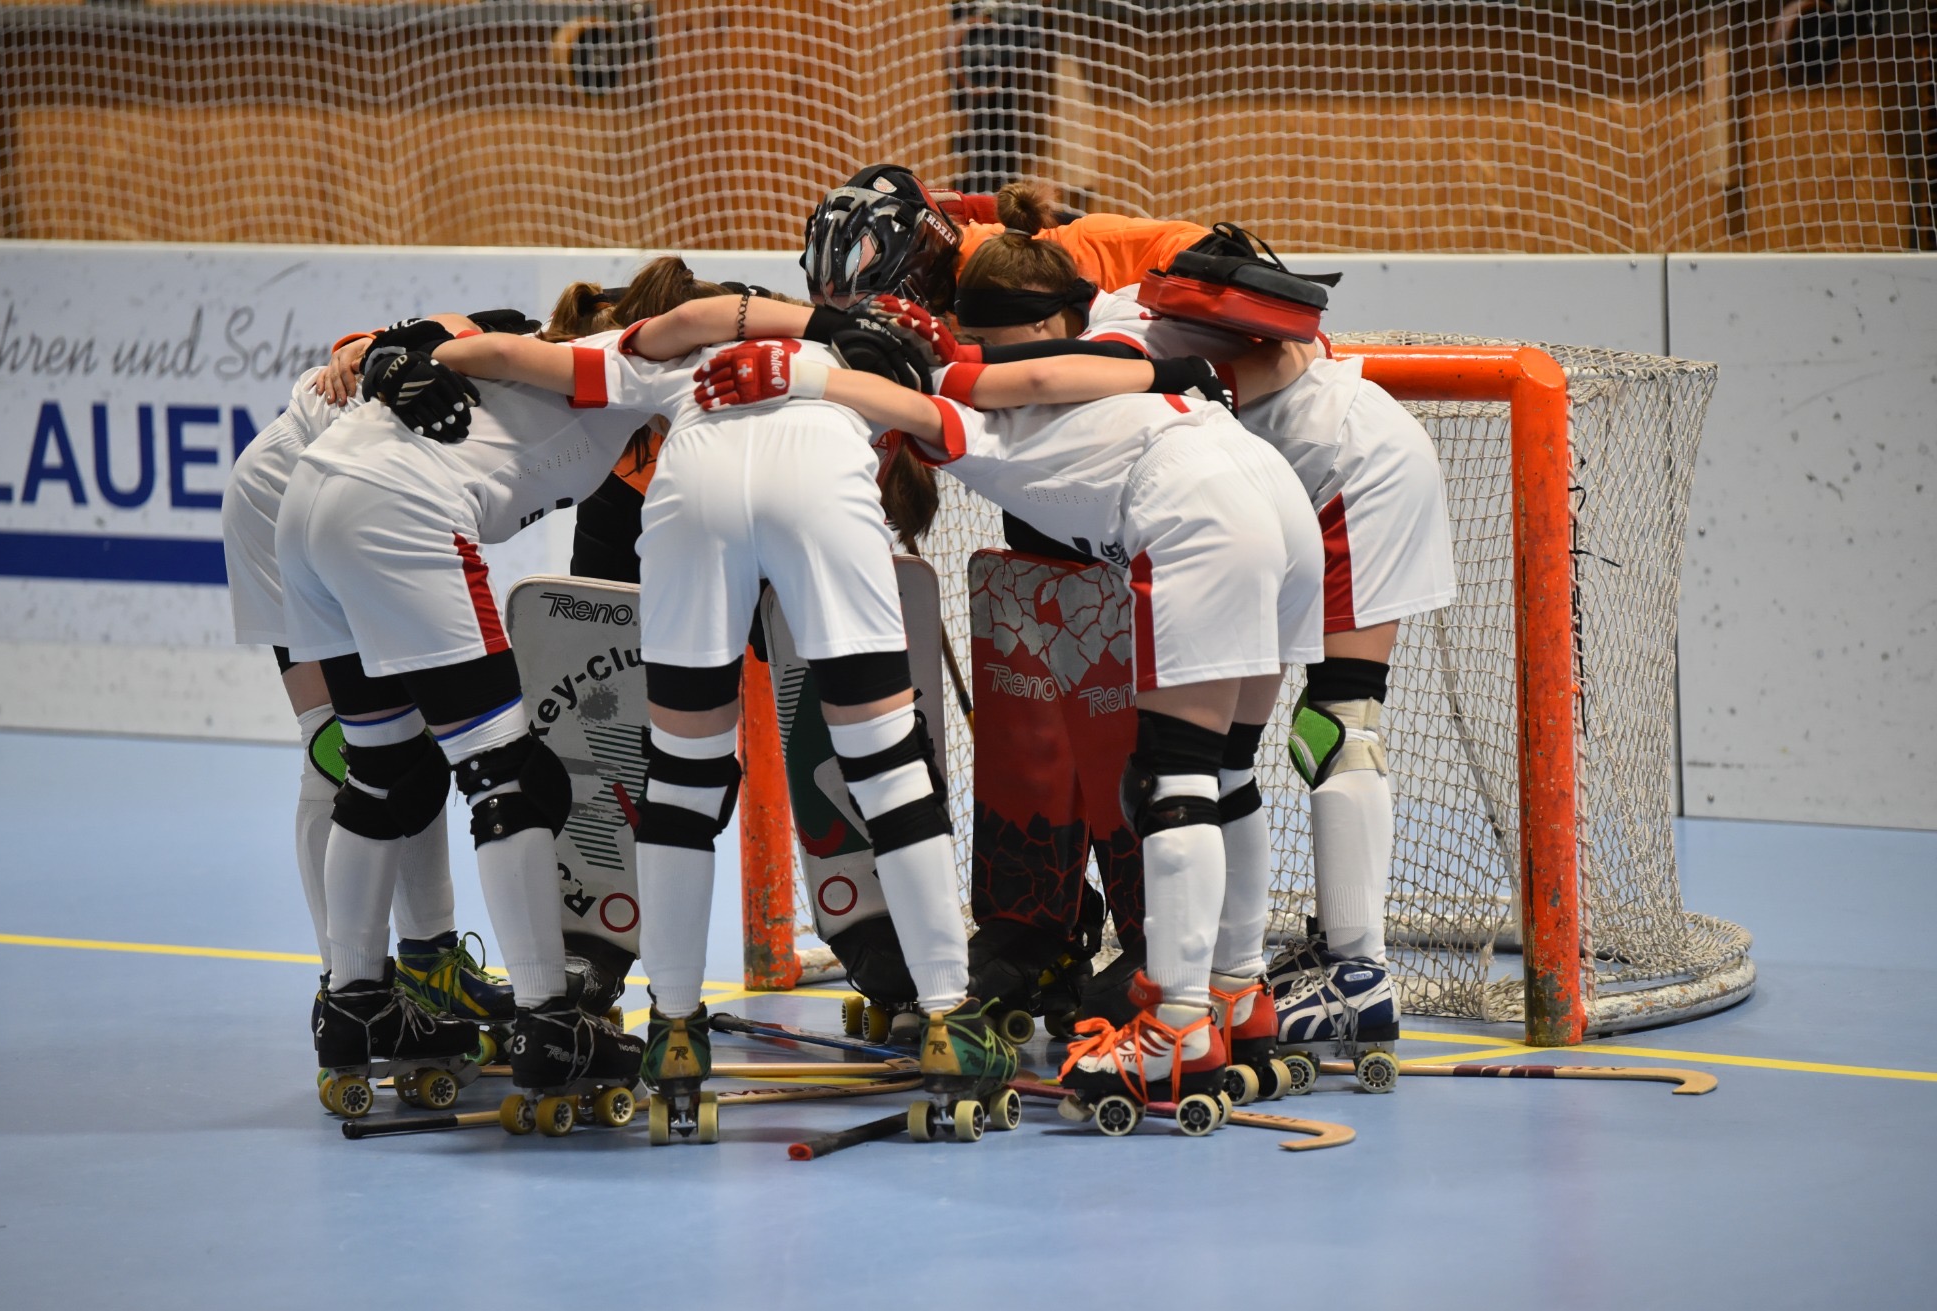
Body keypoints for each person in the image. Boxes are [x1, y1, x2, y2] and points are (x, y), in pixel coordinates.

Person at [694, 311, 1323, 1132]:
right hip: (1273, 490)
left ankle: (1177, 1024)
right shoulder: (1087, 372)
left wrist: (799, 375)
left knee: (1173, 781)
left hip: (1198, 507)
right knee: (1227, 769)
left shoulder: (966, 418)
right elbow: (1056, 371)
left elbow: (927, 402)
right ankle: (1238, 992)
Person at [425, 292, 1021, 1142]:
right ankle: (947, 1015)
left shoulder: (687, 353)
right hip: (819, 484)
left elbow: (519, 357)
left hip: (691, 492)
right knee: (888, 767)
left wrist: (413, 350)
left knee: (681, 778)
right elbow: (1011, 405)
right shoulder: (880, 372)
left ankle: (674, 1029)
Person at [907, 183, 1455, 1087]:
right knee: (1259, 751)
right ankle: (1248, 987)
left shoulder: (1118, 329)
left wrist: (935, 367)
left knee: (1302, 736)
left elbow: (1044, 378)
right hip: (1320, 470)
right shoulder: (1124, 304)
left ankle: (1332, 975)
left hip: (1336, 471)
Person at [276, 304, 664, 1118]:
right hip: (391, 506)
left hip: (309, 500)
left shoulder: (589, 379)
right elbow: (439, 338)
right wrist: (387, 353)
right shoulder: (636, 367)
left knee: (387, 770)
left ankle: (354, 1004)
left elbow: (428, 335)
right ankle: (548, 1020)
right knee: (510, 778)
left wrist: (390, 352)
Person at [222, 314, 520, 1072]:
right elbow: (371, 349)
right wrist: (355, 351)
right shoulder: (501, 355)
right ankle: (348, 985)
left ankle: (428, 961)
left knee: (410, 742)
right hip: (285, 500)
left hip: (352, 499)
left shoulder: (517, 365)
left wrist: (353, 351)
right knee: (343, 748)